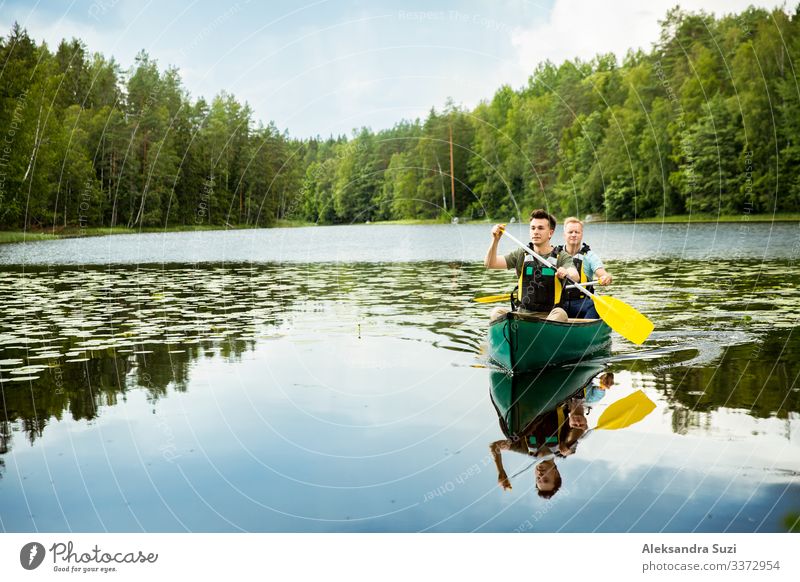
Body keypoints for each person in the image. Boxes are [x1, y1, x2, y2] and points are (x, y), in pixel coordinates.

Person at [485, 209, 578, 322]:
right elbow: (490, 263)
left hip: (549, 317)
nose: (535, 231)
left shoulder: (562, 256)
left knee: (561, 313)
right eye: (533, 228)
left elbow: (575, 275)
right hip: (523, 315)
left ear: (550, 233)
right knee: (496, 312)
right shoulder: (521, 254)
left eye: (540, 228)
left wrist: (566, 272)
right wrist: (495, 240)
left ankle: (542, 335)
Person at [557, 217, 613, 320]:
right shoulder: (555, 254)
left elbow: (602, 273)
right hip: (560, 302)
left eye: (577, 232)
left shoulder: (590, 256)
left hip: (582, 303)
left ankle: (584, 328)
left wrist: (606, 278)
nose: (574, 235)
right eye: (570, 232)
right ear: (564, 234)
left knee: (595, 305)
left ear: (581, 234)